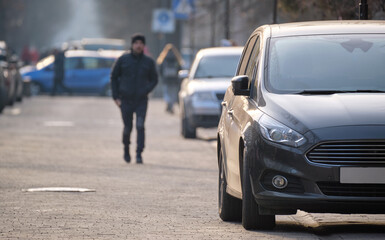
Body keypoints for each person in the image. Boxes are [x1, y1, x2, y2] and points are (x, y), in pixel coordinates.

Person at [110, 33, 158, 164]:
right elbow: (114, 77)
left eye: (141, 43)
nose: (138, 45)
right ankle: (126, 148)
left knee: (140, 125)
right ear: (132, 45)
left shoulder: (148, 62)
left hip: (141, 100)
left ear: (144, 45)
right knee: (127, 127)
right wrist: (115, 97)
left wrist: (146, 90)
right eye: (136, 43)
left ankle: (139, 153)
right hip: (125, 99)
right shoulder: (123, 60)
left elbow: (155, 79)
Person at [156, 44, 183, 114]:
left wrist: (162, 77)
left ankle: (169, 104)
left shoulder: (164, 58)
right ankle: (171, 105)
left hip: (166, 79)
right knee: (173, 93)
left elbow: (160, 69)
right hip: (174, 80)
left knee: (167, 93)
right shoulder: (176, 58)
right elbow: (180, 69)